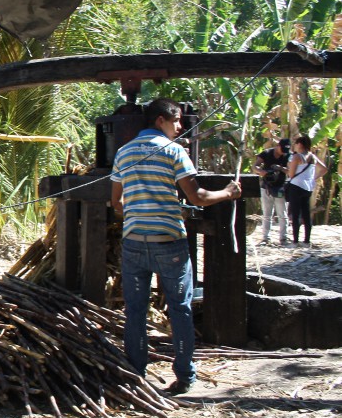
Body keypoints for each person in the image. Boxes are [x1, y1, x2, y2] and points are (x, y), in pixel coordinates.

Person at [110, 98, 242, 395]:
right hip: (169, 243)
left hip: (134, 243)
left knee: (135, 311)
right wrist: (228, 193)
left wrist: (140, 210)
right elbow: (197, 198)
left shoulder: (123, 152)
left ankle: (136, 372)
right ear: (161, 120)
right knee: (180, 309)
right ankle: (184, 376)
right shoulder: (174, 151)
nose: (180, 127)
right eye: (177, 120)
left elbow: (116, 202)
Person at [285, 135, 329, 247]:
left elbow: (291, 174)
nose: (294, 145)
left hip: (296, 186)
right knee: (306, 213)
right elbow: (324, 169)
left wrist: (286, 168)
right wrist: (313, 178)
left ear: (300, 144)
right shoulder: (313, 156)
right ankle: (307, 240)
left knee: (295, 214)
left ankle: (295, 241)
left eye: (296, 143)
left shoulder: (297, 157)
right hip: (307, 187)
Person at [254, 138, 291, 245]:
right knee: (267, 214)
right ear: (278, 146)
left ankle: (283, 238)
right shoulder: (266, 153)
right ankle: (266, 238)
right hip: (266, 187)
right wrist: (262, 172)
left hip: (281, 187)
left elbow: (290, 171)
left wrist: (280, 168)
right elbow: (255, 166)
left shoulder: (288, 156)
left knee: (282, 214)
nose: (283, 152)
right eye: (282, 149)